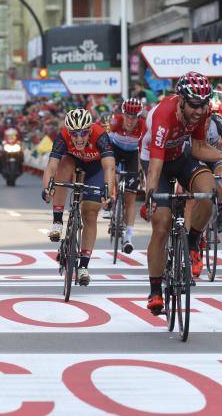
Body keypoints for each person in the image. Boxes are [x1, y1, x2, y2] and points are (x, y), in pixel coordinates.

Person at [141, 72, 222, 314]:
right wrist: (150, 198)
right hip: (157, 162)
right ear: (181, 100)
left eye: (204, 104)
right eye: (195, 105)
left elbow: (198, 147)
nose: (200, 110)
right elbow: (156, 165)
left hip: (181, 156)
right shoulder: (164, 116)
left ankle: (192, 242)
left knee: (209, 193)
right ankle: (155, 290)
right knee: (162, 223)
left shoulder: (203, 111)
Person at [42, 108, 116, 286]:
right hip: (73, 163)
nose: (79, 138)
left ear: (90, 129)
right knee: (63, 167)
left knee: (90, 213)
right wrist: (47, 188)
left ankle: (83, 266)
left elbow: (109, 167)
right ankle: (58, 221)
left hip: (95, 169)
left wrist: (108, 191)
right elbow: (51, 166)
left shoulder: (100, 135)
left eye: (83, 133)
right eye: (74, 133)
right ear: (69, 132)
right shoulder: (62, 136)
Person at [107, 98, 145, 253]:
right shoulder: (115, 122)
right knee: (110, 173)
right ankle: (111, 198)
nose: (130, 120)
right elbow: (104, 143)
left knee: (130, 197)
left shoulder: (143, 127)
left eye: (134, 117)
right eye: (128, 116)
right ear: (123, 114)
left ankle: (128, 238)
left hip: (132, 155)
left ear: (139, 117)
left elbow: (144, 151)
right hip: (115, 150)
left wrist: (140, 170)